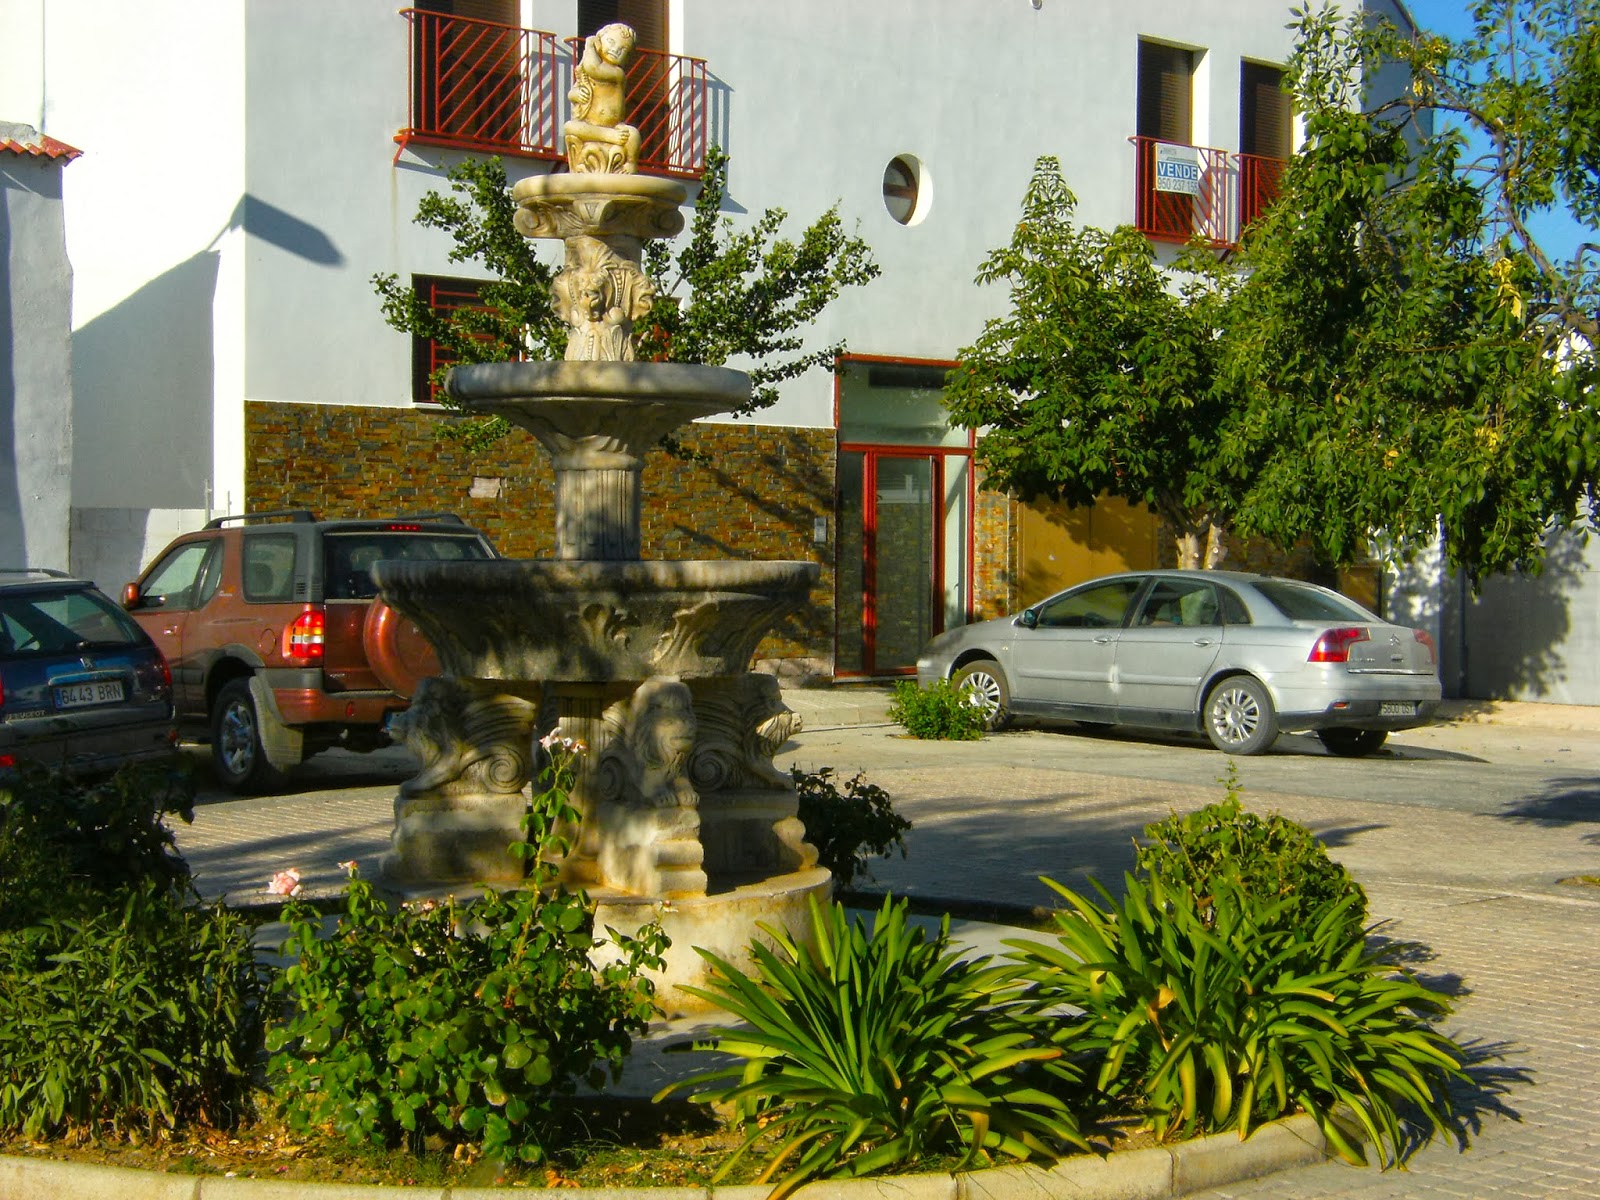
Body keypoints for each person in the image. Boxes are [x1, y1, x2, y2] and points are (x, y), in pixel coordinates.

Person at [564, 22, 640, 174]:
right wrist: (576, 94)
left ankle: (630, 164)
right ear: (600, 40)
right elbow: (573, 92)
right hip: (596, 128)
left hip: (616, 127)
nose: (615, 50)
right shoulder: (585, 73)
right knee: (570, 127)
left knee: (632, 134)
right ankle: (608, 136)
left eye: (623, 49)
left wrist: (589, 45)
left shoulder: (616, 73)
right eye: (611, 42)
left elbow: (594, 68)